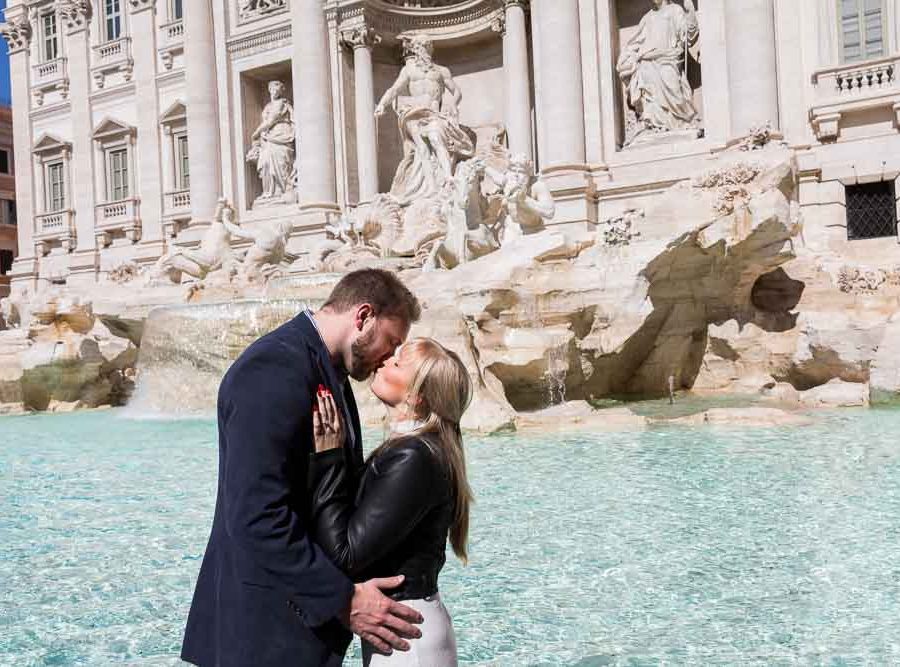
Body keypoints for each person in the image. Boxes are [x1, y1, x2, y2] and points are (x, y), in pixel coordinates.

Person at [181, 268, 425, 666]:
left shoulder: (330, 370)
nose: (390, 356)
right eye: (392, 341)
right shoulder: (274, 369)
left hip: (295, 630)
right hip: (263, 636)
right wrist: (344, 600)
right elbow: (257, 516)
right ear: (363, 317)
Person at [309, 337, 473, 666]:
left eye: (396, 364)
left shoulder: (414, 456)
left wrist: (326, 459)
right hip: (407, 628)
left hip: (406, 638)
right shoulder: (418, 448)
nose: (384, 363)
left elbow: (347, 555)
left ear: (416, 396)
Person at [375, 34, 475, 204]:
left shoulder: (441, 71)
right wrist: (382, 104)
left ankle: (448, 178)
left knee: (436, 137)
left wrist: (452, 103)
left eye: (427, 45)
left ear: (431, 48)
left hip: (433, 112)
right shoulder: (409, 70)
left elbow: (456, 91)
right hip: (413, 112)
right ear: (416, 48)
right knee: (422, 149)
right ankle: (430, 188)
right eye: (421, 45)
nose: (424, 48)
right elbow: (394, 90)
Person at [616, 0, 699, 140]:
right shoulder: (647, 18)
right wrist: (628, 56)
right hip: (647, 63)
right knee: (650, 95)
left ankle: (680, 121)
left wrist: (690, 13)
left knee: (673, 88)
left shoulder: (674, 10)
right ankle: (654, 125)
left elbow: (687, 36)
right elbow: (635, 43)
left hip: (668, 59)